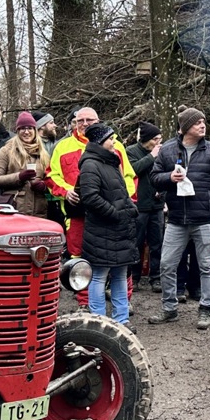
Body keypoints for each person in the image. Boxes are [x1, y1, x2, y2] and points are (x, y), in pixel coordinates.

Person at [147, 108, 210, 329]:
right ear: (185, 127)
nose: (203, 126)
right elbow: (154, 178)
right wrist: (169, 177)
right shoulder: (166, 150)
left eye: (204, 122)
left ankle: (206, 309)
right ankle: (169, 308)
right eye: (197, 123)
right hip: (176, 219)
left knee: (207, 266)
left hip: (205, 218)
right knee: (166, 265)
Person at [47, 106, 136, 308]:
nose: (85, 124)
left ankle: (124, 299)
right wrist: (66, 191)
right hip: (78, 214)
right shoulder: (62, 147)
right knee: (80, 258)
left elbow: (129, 177)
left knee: (120, 255)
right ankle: (85, 302)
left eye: (90, 120)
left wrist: (124, 202)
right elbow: (52, 177)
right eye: (80, 120)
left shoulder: (116, 147)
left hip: (110, 214)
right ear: (74, 123)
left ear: (98, 121)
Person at [77, 123, 138, 328]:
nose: (114, 142)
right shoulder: (90, 164)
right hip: (101, 231)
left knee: (120, 274)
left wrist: (130, 209)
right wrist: (114, 214)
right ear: (100, 141)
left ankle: (121, 320)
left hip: (120, 229)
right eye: (111, 138)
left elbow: (121, 191)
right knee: (99, 276)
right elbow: (90, 197)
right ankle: (99, 322)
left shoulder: (111, 162)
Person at [0, 111, 50, 217]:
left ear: (35, 130)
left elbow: (52, 180)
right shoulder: (6, 151)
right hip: (15, 210)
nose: (26, 132)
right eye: (22, 128)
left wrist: (44, 186)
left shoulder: (43, 153)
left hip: (39, 211)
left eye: (30, 128)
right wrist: (19, 177)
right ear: (17, 131)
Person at [127, 122, 164, 293]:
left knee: (157, 243)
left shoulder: (161, 152)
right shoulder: (131, 151)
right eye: (155, 139)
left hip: (157, 206)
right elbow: (133, 170)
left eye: (159, 139)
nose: (158, 142)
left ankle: (155, 277)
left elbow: (165, 174)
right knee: (137, 242)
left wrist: (162, 193)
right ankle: (133, 278)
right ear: (147, 139)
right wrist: (151, 157)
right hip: (138, 205)